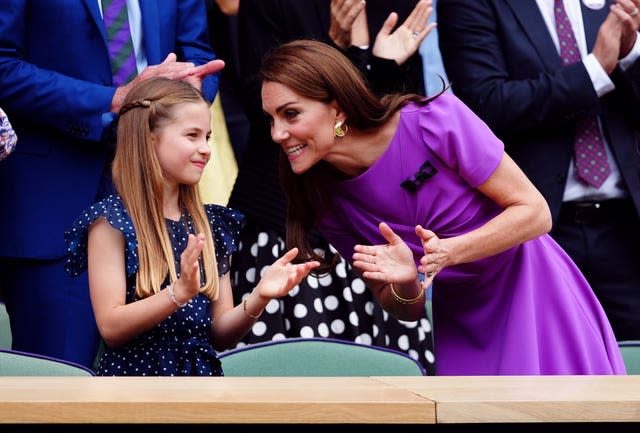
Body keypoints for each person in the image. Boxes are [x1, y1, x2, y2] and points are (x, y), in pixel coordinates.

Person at [261, 39, 626, 375]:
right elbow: (407, 309)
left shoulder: (434, 121)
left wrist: (446, 252)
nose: (277, 134)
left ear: (337, 109)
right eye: (271, 119)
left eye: (290, 114)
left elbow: (535, 212)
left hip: (534, 293)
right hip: (461, 320)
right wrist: (406, 281)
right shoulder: (324, 196)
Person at [0, 0, 223, 368]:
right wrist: (114, 99)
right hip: (55, 199)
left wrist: (187, 92)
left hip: (160, 204)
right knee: (59, 387)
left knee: (165, 378)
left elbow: (198, 56)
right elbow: (4, 65)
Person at [228, 0, 437, 372]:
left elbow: (397, 120)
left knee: (387, 384)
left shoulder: (397, 6)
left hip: (365, 221)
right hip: (286, 222)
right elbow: (266, 120)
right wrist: (332, 47)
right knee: (293, 384)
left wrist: (384, 67)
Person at [64, 77, 320, 376]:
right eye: (192, 135)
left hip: (201, 384)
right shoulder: (111, 222)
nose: (206, 149)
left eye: (208, 137)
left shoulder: (210, 224)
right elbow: (111, 327)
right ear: (149, 138)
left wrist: (259, 296)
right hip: (135, 387)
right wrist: (178, 294)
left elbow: (220, 335)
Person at [436, 0, 640, 341]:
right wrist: (593, 72)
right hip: (539, 233)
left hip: (626, 229)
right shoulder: (471, 5)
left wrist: (631, 54)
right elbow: (484, 104)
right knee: (547, 369)